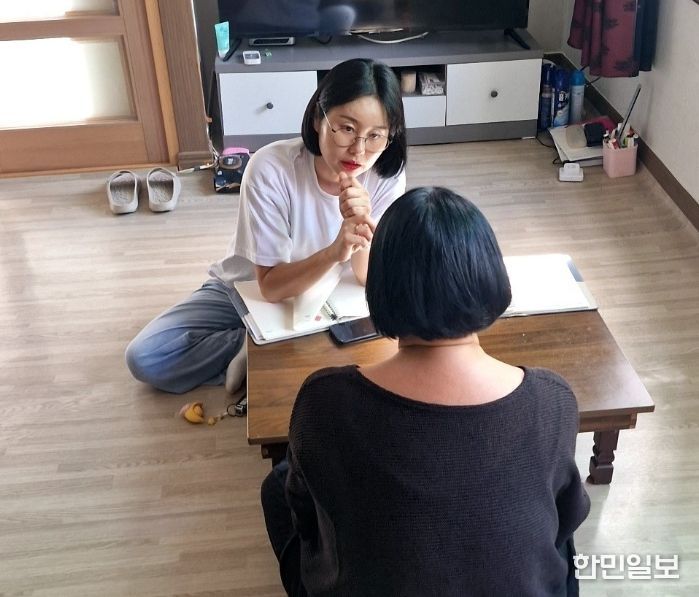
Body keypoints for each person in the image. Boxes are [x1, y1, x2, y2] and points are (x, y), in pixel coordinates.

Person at [261, 187, 591, 596]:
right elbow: (568, 513)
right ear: (490, 275)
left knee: (279, 484)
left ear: (380, 289)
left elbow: (304, 509)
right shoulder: (552, 399)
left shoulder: (325, 401)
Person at [125, 58, 407, 394]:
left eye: (375, 136)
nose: (359, 150)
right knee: (146, 357)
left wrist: (361, 228)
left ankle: (270, 347)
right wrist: (334, 252)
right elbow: (271, 287)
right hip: (250, 289)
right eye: (346, 128)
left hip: (336, 297)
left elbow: (366, 277)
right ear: (318, 118)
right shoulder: (271, 169)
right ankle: (247, 346)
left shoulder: (386, 176)